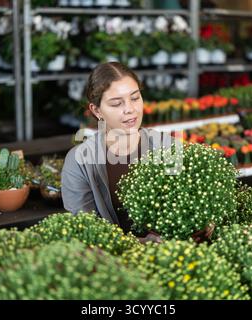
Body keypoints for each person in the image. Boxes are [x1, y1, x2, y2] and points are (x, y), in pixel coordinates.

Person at [61, 62, 177, 243]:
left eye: (135, 98)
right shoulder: (79, 162)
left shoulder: (168, 147)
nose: (130, 109)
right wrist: (141, 243)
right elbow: (85, 230)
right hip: (109, 263)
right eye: (116, 103)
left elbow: (184, 208)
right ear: (96, 110)